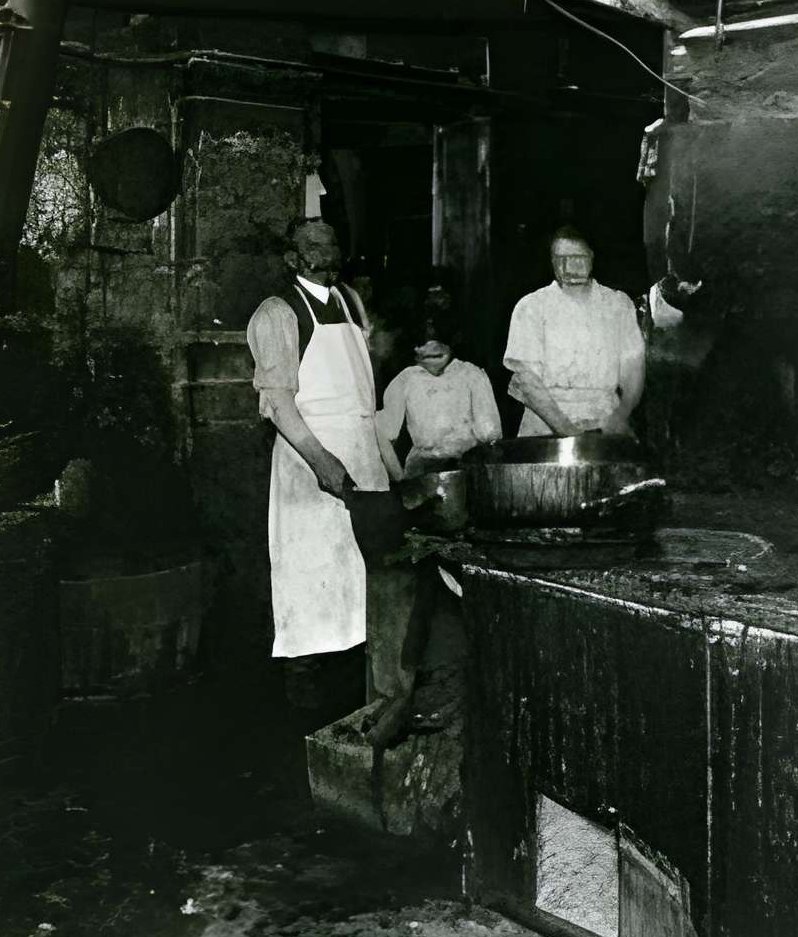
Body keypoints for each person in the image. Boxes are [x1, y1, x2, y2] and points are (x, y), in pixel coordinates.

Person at [246, 218, 404, 710]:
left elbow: (365, 393)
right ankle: (305, 707)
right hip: (308, 458)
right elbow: (278, 404)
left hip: (361, 456)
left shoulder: (351, 301)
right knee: (311, 588)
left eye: (332, 243)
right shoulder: (278, 312)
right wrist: (320, 462)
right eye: (312, 245)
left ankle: (361, 703)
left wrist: (388, 465)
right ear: (292, 258)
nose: (326, 253)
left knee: (361, 587)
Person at [503, 225, 646, 437]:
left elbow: (633, 370)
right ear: (551, 261)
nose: (568, 266)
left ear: (591, 256)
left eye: (577, 257)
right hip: (545, 426)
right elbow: (526, 382)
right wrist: (570, 434)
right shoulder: (531, 307)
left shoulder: (618, 304)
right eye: (560, 258)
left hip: (606, 423)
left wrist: (621, 414)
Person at [380, 319, 503, 472]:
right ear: (415, 351)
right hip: (421, 471)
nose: (432, 352)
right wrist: (398, 478)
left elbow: (490, 434)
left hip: (468, 466)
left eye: (439, 348)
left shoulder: (471, 374)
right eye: (424, 346)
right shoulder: (406, 379)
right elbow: (384, 433)